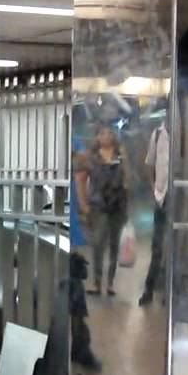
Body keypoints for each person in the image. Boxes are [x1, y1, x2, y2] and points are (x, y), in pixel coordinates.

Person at [73, 124, 129, 296]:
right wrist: (83, 204)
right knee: (98, 244)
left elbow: (128, 179)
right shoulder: (89, 157)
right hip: (98, 206)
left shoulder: (121, 155)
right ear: (97, 137)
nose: (106, 136)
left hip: (118, 205)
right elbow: (80, 180)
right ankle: (97, 282)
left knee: (114, 244)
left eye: (109, 133)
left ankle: (110, 283)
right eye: (102, 133)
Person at [140, 124, 169, 306]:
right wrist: (155, 189)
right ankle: (149, 289)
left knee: (175, 244)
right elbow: (150, 163)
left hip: (178, 194)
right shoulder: (157, 133)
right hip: (161, 197)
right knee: (157, 246)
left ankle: (169, 291)